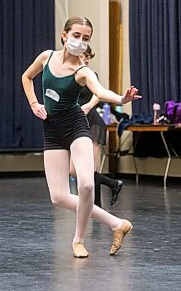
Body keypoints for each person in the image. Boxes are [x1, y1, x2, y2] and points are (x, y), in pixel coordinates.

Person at [22, 16, 141, 258]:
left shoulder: (82, 71)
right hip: (52, 131)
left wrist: (120, 99)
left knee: (86, 184)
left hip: (77, 127)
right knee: (58, 197)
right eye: (76, 36)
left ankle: (78, 240)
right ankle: (117, 224)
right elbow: (26, 77)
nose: (80, 42)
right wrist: (34, 103)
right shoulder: (46, 58)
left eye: (85, 38)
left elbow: (99, 90)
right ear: (64, 36)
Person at [69, 45, 123, 207]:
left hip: (92, 122)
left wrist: (87, 106)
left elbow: (97, 95)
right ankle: (112, 184)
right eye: (83, 55)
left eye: (88, 57)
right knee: (73, 170)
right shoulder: (69, 76)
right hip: (76, 122)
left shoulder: (91, 75)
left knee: (89, 166)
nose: (85, 59)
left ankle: (97, 205)